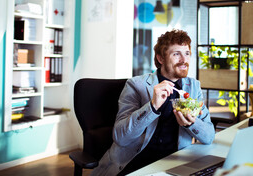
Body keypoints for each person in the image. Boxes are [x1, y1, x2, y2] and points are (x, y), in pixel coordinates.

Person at [91, 29, 215, 176]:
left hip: (174, 163)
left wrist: (191, 123)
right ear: (161, 58)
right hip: (136, 162)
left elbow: (209, 137)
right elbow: (120, 137)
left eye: (187, 53)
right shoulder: (136, 85)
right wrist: (152, 107)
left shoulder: (193, 87)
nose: (184, 60)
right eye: (176, 54)